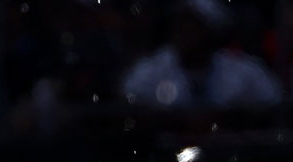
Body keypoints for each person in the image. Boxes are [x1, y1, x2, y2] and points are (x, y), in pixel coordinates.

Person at [121, 0, 282, 110]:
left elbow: (274, 101)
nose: (186, 33)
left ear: (212, 32)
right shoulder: (150, 70)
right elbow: (130, 102)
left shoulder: (245, 72)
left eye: (195, 26)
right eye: (181, 24)